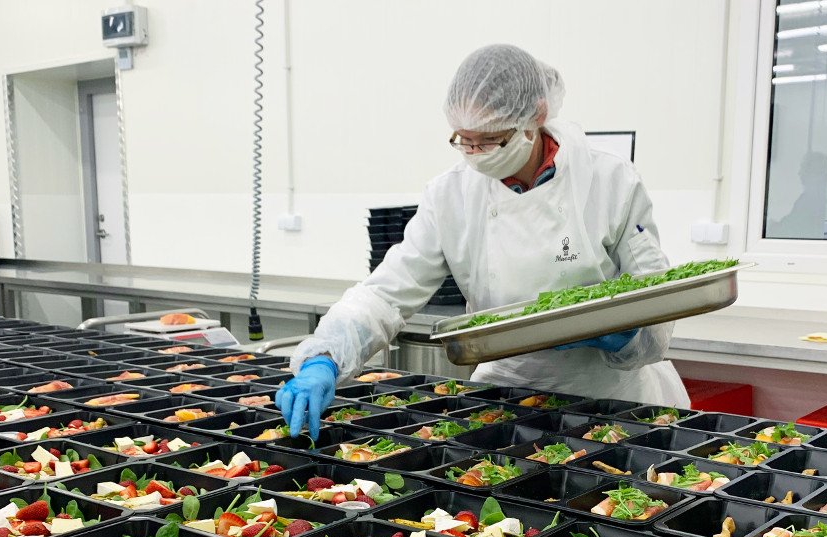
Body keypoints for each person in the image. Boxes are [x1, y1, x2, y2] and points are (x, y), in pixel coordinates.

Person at [276, 44, 689, 438]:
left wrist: (629, 334)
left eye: (491, 140)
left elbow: (657, 296)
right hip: (505, 393)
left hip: (611, 395)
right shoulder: (451, 195)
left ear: (536, 116)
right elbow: (386, 293)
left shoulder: (610, 181)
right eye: (464, 140)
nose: (477, 153)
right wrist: (325, 357)